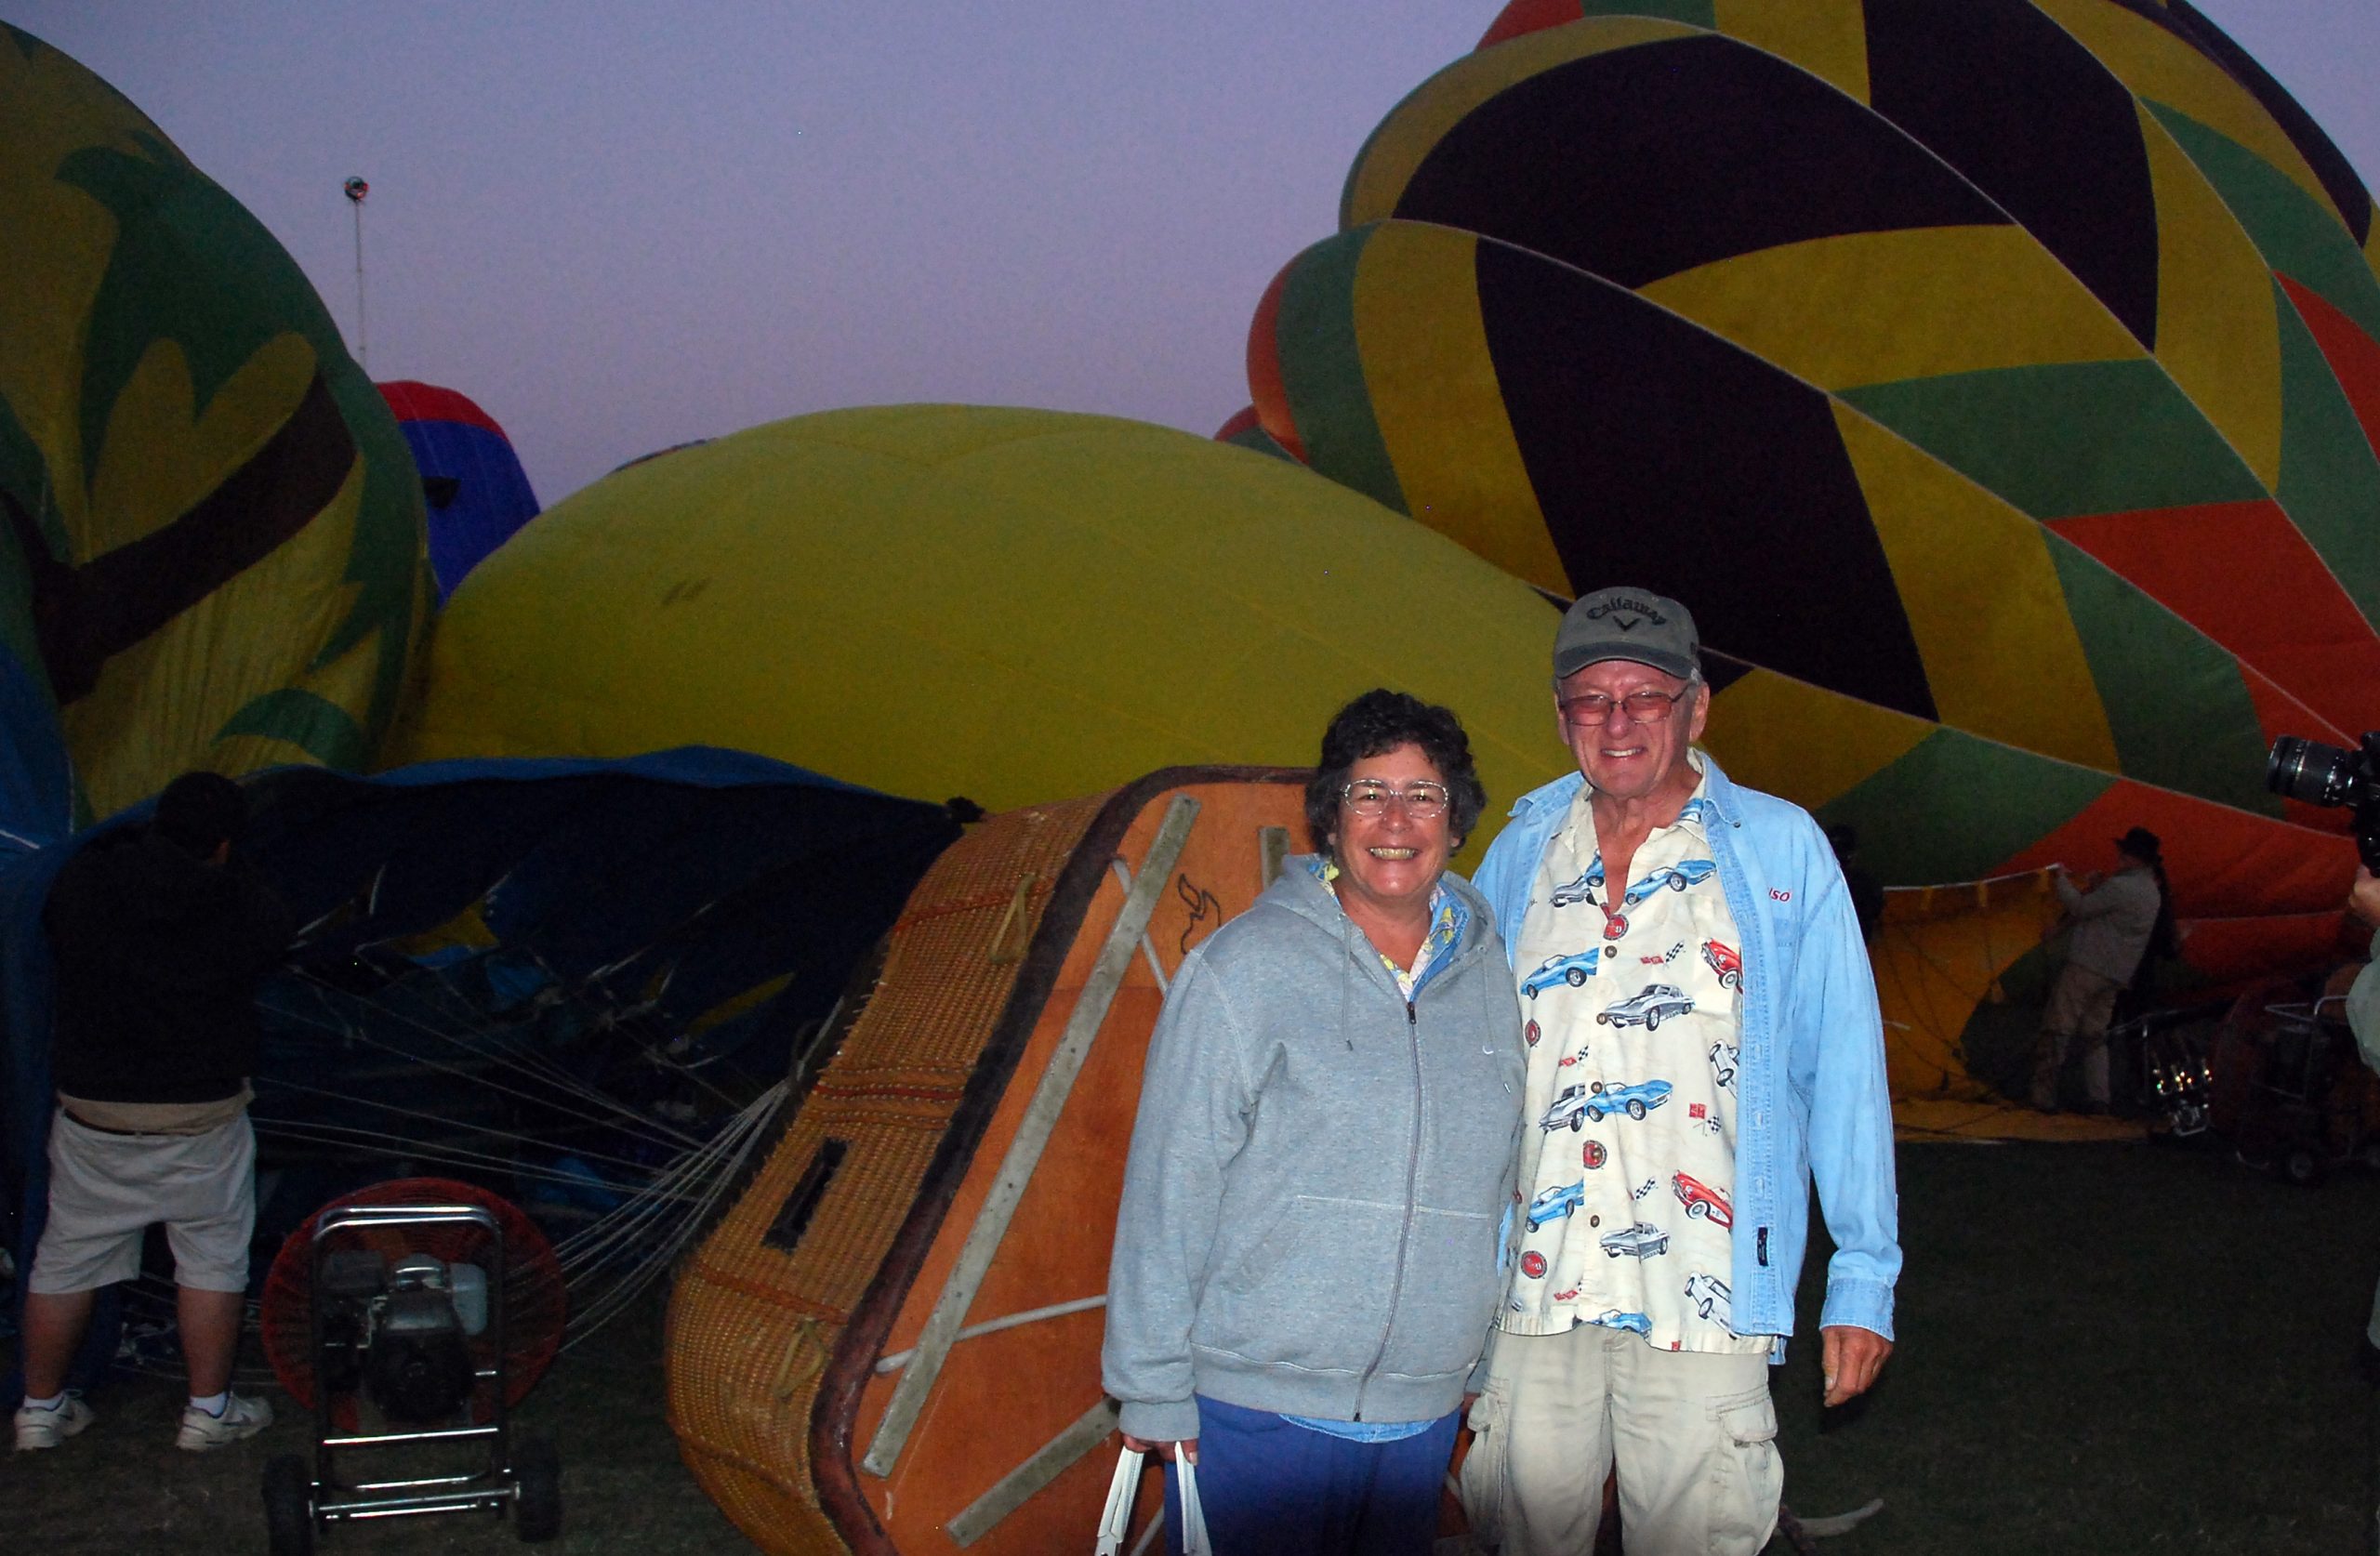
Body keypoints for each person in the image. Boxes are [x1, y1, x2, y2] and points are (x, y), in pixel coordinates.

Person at [1457, 587, 1899, 1556]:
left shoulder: (1779, 853)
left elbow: (1845, 1076)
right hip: (1536, 1293)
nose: (1617, 722)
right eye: (1591, 699)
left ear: (1694, 708)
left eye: (1645, 696)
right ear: (1562, 716)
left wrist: (1862, 1278)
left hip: (1701, 1296)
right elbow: (1465, 1061)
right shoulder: (1521, 849)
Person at [1103, 690, 1527, 1556]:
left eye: (1423, 795)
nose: (1396, 820)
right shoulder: (1244, 969)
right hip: (1256, 1406)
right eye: (1369, 793)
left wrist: (1481, 1357)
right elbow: (1168, 1184)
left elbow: (1503, 1184)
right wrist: (1151, 1386)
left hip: (1420, 1411)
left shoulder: (1492, 979)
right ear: (1331, 818)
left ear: (1457, 821)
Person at [13, 772, 296, 1452]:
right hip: (199, 1115)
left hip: (94, 1111)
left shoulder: (86, 885)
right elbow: (275, 930)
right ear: (225, 845)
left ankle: (40, 1410)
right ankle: (207, 1411)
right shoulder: (244, 907)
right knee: (212, 1260)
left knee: (66, 1261)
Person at [2030, 826, 2165, 1114]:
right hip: (2116, 974)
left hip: (2087, 966)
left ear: (2135, 858)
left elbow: (2080, 907)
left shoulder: (2121, 887)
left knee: (2058, 1026)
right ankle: (2099, 1098)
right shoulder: (2151, 891)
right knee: (2095, 1036)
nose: (2119, 857)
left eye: (2125, 853)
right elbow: (2101, 910)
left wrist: (2061, 879)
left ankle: (2043, 1094)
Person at [1827, 825, 1884, 946]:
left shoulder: (1814, 881)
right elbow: (1876, 911)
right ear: (1854, 854)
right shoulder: (1867, 883)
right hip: (1857, 944)